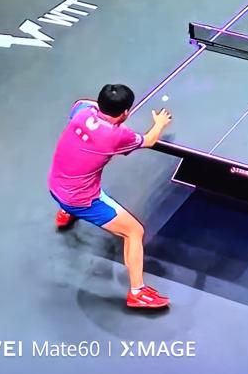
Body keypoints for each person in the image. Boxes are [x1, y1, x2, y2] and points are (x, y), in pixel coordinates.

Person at [48, 84, 174, 309]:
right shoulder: (118, 136)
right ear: (125, 112)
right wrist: (160, 124)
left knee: (82, 168)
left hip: (55, 185)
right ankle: (137, 293)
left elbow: (83, 103)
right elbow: (149, 140)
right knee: (134, 231)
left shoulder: (82, 110)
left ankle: (65, 213)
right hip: (81, 201)